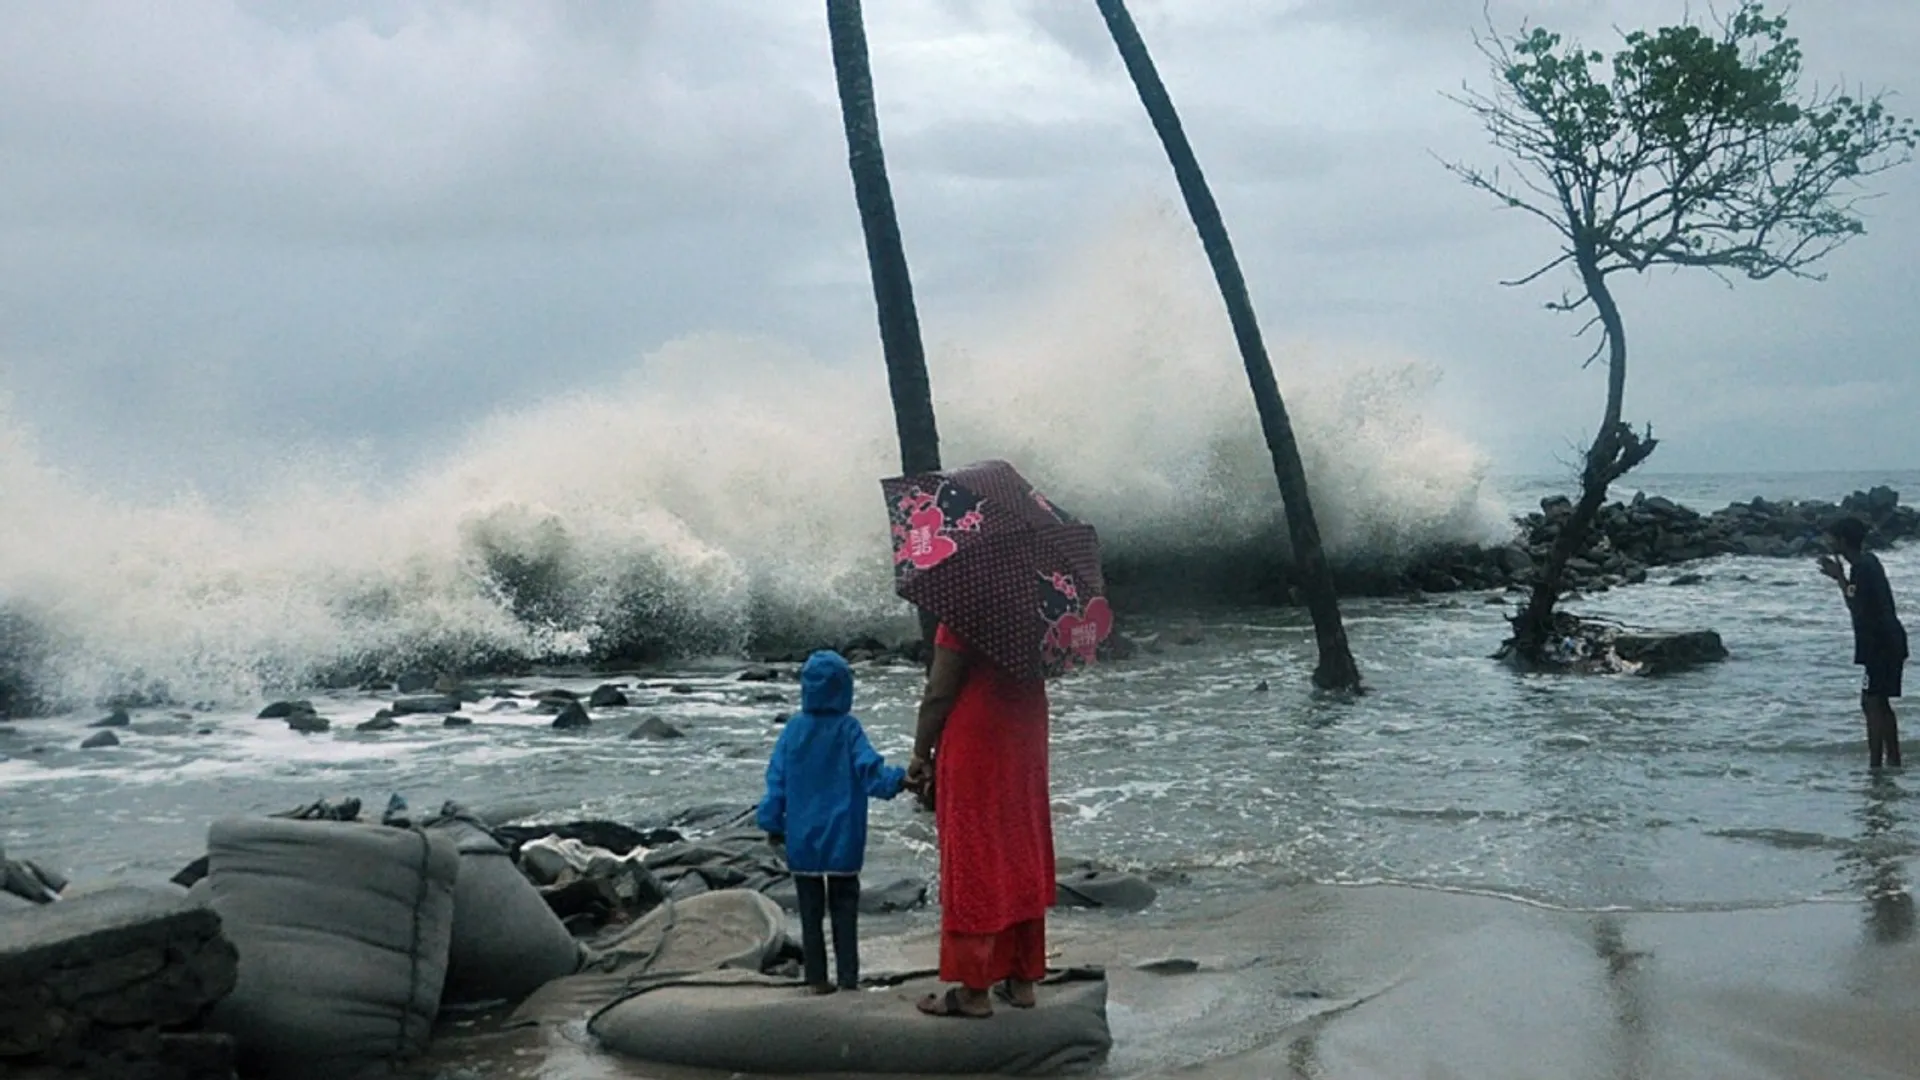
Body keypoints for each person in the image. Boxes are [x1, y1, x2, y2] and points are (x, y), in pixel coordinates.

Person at [908, 622, 1055, 1019]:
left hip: (978, 736)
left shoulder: (965, 611)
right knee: (1020, 845)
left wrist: (921, 753)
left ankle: (974, 990)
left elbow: (939, 692)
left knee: (974, 853)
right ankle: (1022, 979)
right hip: (1026, 733)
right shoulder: (1041, 607)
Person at [757, 649, 908, 994]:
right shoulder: (849, 729)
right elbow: (871, 773)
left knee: (810, 916)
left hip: (803, 840)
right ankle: (848, 980)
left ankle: (816, 980)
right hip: (843, 839)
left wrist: (771, 822)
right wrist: (900, 780)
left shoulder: (793, 730)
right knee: (845, 912)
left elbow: (776, 781)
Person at [1820, 516, 1907, 769]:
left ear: (1843, 540)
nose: (1828, 542)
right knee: (1881, 702)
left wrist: (1838, 578)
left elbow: (1855, 606)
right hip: (1891, 640)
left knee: (1870, 703)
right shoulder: (1870, 561)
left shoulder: (1860, 567)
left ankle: (1875, 766)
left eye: (1832, 538)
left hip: (1879, 643)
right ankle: (1893, 760)